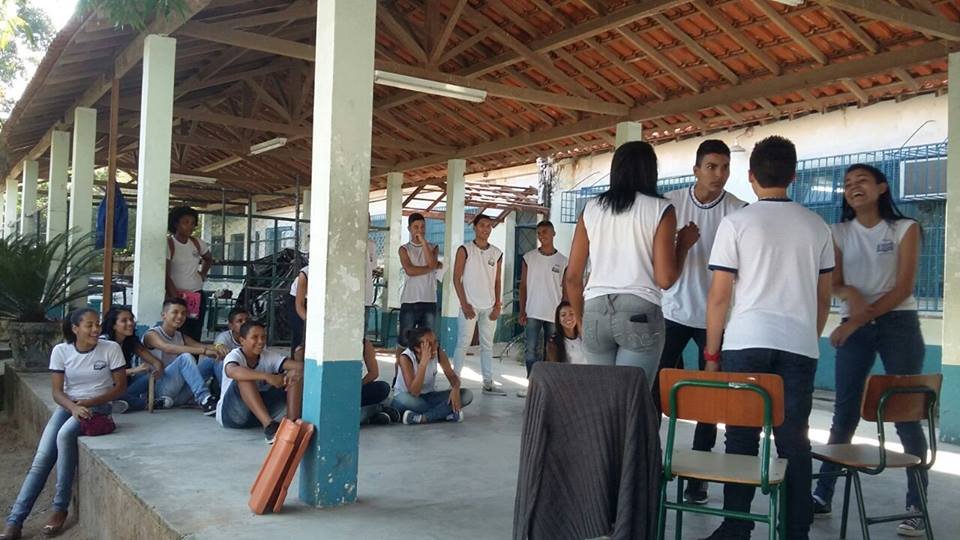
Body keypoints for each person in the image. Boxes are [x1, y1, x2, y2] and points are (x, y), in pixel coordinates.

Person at [702, 136, 834, 540]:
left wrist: (712, 354)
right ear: (793, 176)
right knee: (794, 442)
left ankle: (735, 527)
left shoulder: (736, 223)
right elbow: (823, 298)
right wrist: (807, 338)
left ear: (750, 176)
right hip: (799, 346)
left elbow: (719, 297)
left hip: (745, 344)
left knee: (741, 439)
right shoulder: (817, 226)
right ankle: (795, 531)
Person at [810, 164, 928, 537]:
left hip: (898, 325)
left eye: (861, 181)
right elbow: (835, 283)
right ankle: (822, 494)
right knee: (844, 415)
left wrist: (857, 320)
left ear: (882, 187)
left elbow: (903, 288)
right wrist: (850, 293)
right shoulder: (838, 232)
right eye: (847, 184)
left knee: (906, 415)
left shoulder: (904, 228)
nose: (853, 187)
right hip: (855, 326)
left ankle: (917, 505)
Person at [656, 140, 747, 505]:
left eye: (724, 167)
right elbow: (657, 257)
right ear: (695, 170)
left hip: (716, 319)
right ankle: (648, 462)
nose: (718, 174)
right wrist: (681, 243)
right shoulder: (670, 204)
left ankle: (698, 477)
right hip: (672, 312)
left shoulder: (738, 210)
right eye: (711, 166)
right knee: (654, 389)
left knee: (710, 397)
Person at [565, 141, 696, 388]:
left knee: (602, 398)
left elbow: (572, 277)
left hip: (595, 310)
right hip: (639, 311)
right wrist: (683, 246)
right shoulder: (661, 209)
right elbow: (665, 279)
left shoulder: (590, 209)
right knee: (631, 397)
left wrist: (582, 321)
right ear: (651, 171)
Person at [2, 309, 126, 540]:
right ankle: (14, 521)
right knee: (41, 459)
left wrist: (88, 403)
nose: (96, 329)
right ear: (75, 328)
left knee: (65, 434)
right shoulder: (61, 351)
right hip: (69, 406)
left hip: (98, 406)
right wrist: (74, 407)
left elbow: (119, 388)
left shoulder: (110, 349)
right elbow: (57, 392)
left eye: (97, 324)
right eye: (89, 325)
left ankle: (60, 508)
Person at [217, 320, 303, 444]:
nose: (261, 341)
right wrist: (267, 376)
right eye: (255, 337)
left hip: (257, 414)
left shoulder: (267, 355)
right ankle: (270, 427)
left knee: (295, 375)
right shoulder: (234, 355)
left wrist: (292, 370)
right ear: (242, 341)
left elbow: (300, 368)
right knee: (244, 378)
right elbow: (232, 371)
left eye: (263, 337)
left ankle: (291, 425)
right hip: (232, 416)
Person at [452, 214, 506, 395]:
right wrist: (464, 304)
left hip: (489, 306)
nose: (486, 229)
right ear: (474, 227)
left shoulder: (497, 253)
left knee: (487, 345)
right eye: (482, 225)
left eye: (489, 226)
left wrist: (497, 305)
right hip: (469, 305)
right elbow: (456, 278)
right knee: (463, 343)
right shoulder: (465, 249)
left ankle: (488, 383)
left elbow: (497, 281)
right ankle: (455, 382)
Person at [141, 298, 223, 415]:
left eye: (183, 313)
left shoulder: (180, 336)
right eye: (175, 312)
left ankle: (225, 397)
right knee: (185, 357)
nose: (180, 316)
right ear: (164, 315)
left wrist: (219, 347)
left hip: (178, 394)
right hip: (159, 391)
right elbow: (168, 348)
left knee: (213, 360)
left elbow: (201, 345)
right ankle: (205, 399)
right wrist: (204, 351)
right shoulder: (151, 334)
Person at [518, 220, 567, 397]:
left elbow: (566, 290)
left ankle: (547, 386)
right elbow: (523, 286)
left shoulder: (563, 261)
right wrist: (522, 310)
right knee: (530, 349)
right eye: (538, 233)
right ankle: (532, 384)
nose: (541, 236)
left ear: (553, 234)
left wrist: (564, 315)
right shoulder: (529, 258)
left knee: (551, 350)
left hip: (553, 314)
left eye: (545, 232)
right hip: (532, 311)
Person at [393, 327, 473, 424]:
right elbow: (414, 392)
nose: (434, 347)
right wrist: (423, 364)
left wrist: (455, 389)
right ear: (417, 348)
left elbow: (452, 376)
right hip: (408, 397)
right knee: (410, 401)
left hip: (429, 396)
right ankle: (443, 413)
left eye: (435, 342)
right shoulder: (405, 358)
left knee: (466, 395)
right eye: (429, 344)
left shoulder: (438, 352)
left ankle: (423, 418)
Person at [101, 306, 168, 412]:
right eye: (124, 321)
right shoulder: (103, 342)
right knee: (119, 394)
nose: (130, 323)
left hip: (125, 385)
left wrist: (157, 371)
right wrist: (135, 370)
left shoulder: (130, 340)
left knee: (147, 376)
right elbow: (104, 374)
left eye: (131, 319)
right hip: (106, 387)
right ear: (113, 325)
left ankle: (119, 403)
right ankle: (145, 404)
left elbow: (155, 361)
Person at [165, 206, 214, 342]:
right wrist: (175, 299)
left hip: (196, 295)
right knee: (179, 331)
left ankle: (193, 356)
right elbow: (166, 275)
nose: (190, 226)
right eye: (185, 222)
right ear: (176, 223)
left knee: (195, 331)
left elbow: (209, 259)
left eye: (193, 223)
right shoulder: (169, 244)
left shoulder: (197, 243)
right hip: (177, 295)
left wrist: (202, 274)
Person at [398, 213, 440, 355]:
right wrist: (430, 268)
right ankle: (400, 368)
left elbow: (432, 262)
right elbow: (410, 270)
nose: (419, 230)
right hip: (409, 300)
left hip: (429, 300)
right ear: (409, 228)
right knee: (404, 340)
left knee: (428, 340)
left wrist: (423, 243)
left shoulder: (433, 247)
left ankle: (423, 367)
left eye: (422, 227)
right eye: (416, 227)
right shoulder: (404, 249)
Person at [211, 306, 250, 384]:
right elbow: (218, 345)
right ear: (231, 326)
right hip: (228, 374)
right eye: (240, 321)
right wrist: (219, 347)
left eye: (247, 320)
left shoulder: (254, 337)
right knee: (212, 361)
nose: (244, 323)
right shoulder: (224, 337)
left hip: (247, 373)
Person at [289, 265, 308, 355]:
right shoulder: (304, 274)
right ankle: (296, 360)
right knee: (300, 333)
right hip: (299, 302)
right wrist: (308, 321)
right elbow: (299, 305)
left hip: (316, 301)